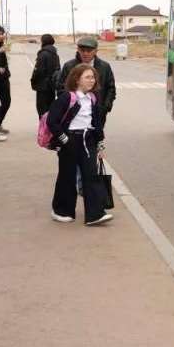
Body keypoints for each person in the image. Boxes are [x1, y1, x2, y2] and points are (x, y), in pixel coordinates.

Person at [47, 63, 113, 226]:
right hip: (70, 141)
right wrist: (65, 140)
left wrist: (100, 144)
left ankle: (95, 214)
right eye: (88, 77)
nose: (92, 80)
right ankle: (61, 211)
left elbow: (96, 123)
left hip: (88, 140)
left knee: (91, 176)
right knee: (67, 177)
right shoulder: (66, 98)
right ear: (77, 79)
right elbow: (52, 121)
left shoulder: (92, 98)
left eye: (93, 77)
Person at [54, 36, 116, 117]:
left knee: (97, 130)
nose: (85, 53)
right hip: (74, 113)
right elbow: (61, 88)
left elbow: (111, 88)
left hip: (98, 112)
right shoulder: (69, 66)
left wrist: (105, 107)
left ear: (96, 51)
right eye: (82, 50)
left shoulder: (104, 67)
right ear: (78, 50)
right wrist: (69, 105)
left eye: (89, 51)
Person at [31, 33, 61, 117]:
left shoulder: (43, 54)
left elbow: (38, 71)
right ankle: (48, 128)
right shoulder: (55, 54)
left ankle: (43, 129)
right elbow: (58, 70)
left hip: (42, 87)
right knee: (49, 108)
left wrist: (33, 81)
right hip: (52, 86)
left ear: (43, 42)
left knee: (41, 109)